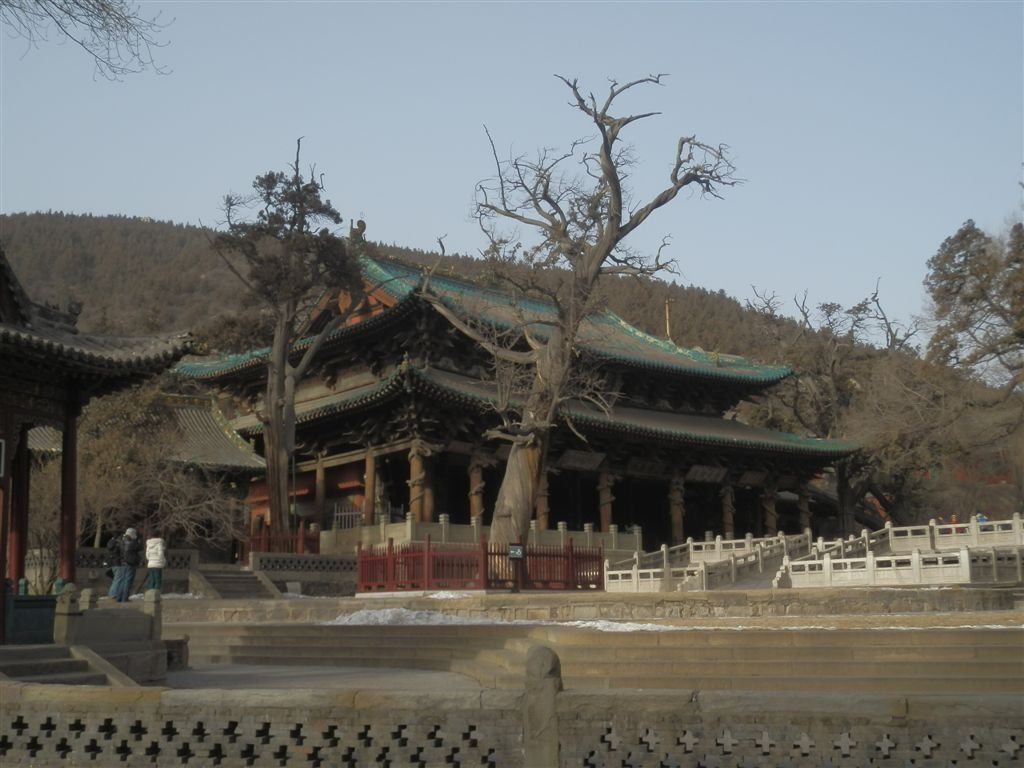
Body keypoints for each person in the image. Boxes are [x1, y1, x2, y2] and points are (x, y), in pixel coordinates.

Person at [113, 527, 143, 602]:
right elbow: (140, 547)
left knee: (123, 580)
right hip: (130, 563)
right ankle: (124, 598)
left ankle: (119, 597)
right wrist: (138, 539)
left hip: (122, 562)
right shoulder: (132, 543)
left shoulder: (121, 542)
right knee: (128, 581)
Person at [105, 534, 123, 598]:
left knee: (116, 579)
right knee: (118, 579)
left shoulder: (109, 543)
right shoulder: (117, 544)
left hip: (112, 563)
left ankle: (113, 593)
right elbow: (121, 552)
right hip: (117, 563)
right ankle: (112, 594)